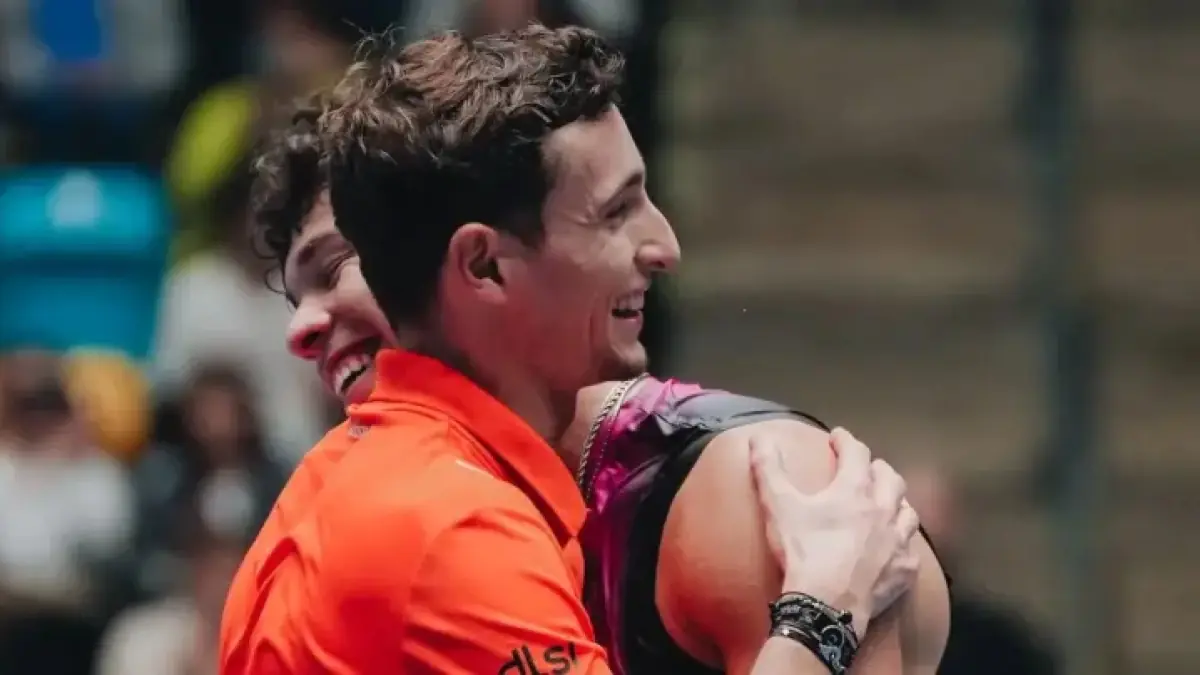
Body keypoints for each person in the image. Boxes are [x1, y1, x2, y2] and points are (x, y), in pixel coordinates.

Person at [220, 25, 927, 675]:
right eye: (615, 213)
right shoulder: (450, 525)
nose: (665, 247)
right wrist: (823, 606)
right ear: (484, 266)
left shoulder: (351, 480)